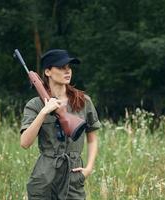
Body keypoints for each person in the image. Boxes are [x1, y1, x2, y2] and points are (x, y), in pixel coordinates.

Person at [20, 49, 101, 200]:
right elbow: (24, 143)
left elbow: (92, 137)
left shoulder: (83, 101)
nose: (67, 71)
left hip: (73, 176)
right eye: (61, 67)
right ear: (48, 72)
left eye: (69, 67)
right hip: (44, 178)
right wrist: (44, 112)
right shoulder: (35, 105)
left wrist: (88, 168)